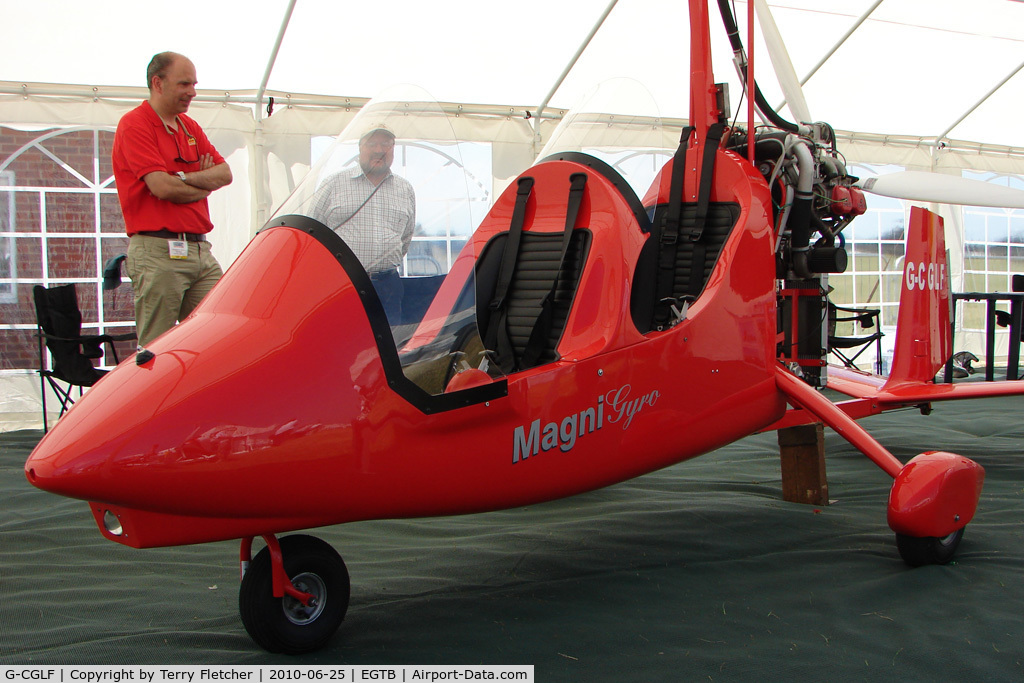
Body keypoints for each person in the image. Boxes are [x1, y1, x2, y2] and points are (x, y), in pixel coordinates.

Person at [111, 51, 232, 348]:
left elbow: (225, 174)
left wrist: (180, 178)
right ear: (158, 83)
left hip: (200, 250)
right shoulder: (134, 124)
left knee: (220, 336)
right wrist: (202, 183)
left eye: (194, 84)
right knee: (156, 348)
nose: (192, 92)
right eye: (184, 84)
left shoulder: (189, 127)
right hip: (157, 250)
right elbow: (161, 187)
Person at [308, 126, 416, 324]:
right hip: (342, 286)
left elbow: (406, 238)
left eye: (385, 144)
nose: (378, 150)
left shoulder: (405, 189)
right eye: (372, 143)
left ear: (393, 148)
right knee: (343, 344)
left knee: (389, 348)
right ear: (360, 148)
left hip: (388, 288)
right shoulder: (333, 184)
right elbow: (312, 235)